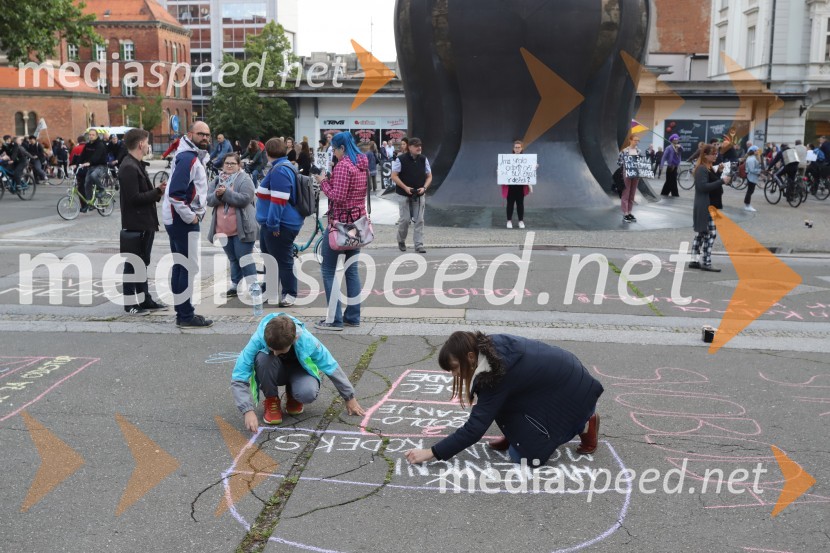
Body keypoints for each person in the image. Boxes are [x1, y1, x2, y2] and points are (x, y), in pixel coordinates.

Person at [404, 331, 604, 467]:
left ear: (471, 356)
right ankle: (517, 435)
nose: (454, 375)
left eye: (455, 368)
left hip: (573, 393)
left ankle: (585, 423)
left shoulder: (495, 374)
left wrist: (432, 452)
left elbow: (475, 429)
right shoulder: (489, 349)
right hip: (556, 382)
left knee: (527, 458)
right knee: (499, 404)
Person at [231, 313, 366, 430]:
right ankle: (272, 400)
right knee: (263, 358)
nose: (276, 353)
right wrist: (247, 410)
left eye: (280, 350)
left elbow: (330, 366)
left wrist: (349, 397)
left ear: (294, 338)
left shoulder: (307, 340)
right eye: (272, 349)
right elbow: (239, 375)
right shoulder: (258, 338)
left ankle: (293, 394)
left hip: (298, 371)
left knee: (307, 393)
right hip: (273, 371)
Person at [313, 132, 369, 331]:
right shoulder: (362, 163)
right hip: (358, 224)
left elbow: (338, 196)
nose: (334, 153)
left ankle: (334, 318)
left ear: (342, 148)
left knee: (328, 270)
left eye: (334, 149)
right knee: (351, 270)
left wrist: (323, 182)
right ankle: (353, 316)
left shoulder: (344, 165)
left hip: (340, 225)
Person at [162, 122, 213, 328]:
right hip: (181, 221)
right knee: (187, 267)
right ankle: (185, 315)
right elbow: (176, 194)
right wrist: (190, 216)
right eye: (201, 134)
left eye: (208, 134)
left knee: (181, 266)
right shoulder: (188, 158)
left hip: (176, 219)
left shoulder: (189, 155)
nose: (205, 138)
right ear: (190, 134)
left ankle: (182, 312)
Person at [118, 128, 168, 315]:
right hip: (136, 224)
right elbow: (134, 198)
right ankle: (131, 303)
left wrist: (156, 190)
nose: (148, 146)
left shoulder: (135, 164)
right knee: (133, 264)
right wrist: (157, 192)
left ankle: (144, 298)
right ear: (140, 144)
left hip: (143, 222)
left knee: (141, 263)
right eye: (146, 142)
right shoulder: (129, 167)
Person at [256, 138, 304, 308]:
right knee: (270, 258)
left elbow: (279, 200)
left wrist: (274, 224)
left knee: (283, 261)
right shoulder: (282, 167)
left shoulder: (279, 171)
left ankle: (289, 293)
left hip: (279, 224)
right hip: (274, 223)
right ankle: (269, 290)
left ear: (266, 152)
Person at [207, 152, 258, 299]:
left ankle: (253, 287)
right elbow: (209, 200)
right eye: (227, 163)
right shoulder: (217, 179)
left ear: (239, 165)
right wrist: (217, 195)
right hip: (222, 228)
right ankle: (235, 284)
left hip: (243, 227)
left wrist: (226, 193)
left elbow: (245, 199)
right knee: (233, 258)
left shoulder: (245, 179)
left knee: (245, 257)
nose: (229, 166)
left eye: (233, 163)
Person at [689, 143, 730, 273]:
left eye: (716, 153)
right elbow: (703, 187)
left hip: (709, 205)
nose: (715, 156)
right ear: (705, 155)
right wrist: (722, 181)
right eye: (713, 154)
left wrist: (718, 172)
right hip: (706, 206)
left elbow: (711, 183)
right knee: (710, 234)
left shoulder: (708, 167)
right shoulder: (702, 168)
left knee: (701, 233)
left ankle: (694, 261)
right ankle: (706, 262)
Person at [392, 137, 432, 254]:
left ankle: (419, 245)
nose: (419, 147)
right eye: (416, 146)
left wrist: (424, 188)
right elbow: (394, 176)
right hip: (403, 194)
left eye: (420, 145)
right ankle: (401, 240)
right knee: (405, 220)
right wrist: (405, 188)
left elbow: (429, 176)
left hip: (419, 194)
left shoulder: (423, 159)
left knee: (419, 220)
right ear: (409, 147)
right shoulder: (400, 159)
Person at [501, 139, 532, 228]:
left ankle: (521, 221)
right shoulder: (507, 159)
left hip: (520, 186)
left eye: (519, 147)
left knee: (520, 203)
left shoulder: (526, 159)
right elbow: (502, 169)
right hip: (510, 186)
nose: (517, 149)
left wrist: (534, 166)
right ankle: (509, 221)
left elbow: (529, 170)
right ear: (513, 148)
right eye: (516, 147)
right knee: (510, 203)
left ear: (521, 148)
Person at [78, 129, 109, 212]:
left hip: (101, 167)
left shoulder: (100, 145)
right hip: (91, 167)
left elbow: (97, 156)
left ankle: (102, 189)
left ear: (97, 136)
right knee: (86, 183)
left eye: (93, 135)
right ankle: (90, 203)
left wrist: (89, 162)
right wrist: (76, 163)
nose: (91, 136)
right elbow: (82, 156)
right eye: (90, 134)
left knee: (94, 175)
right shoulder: (88, 145)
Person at [617, 134, 642, 223]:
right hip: (627, 173)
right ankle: (625, 213)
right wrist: (626, 167)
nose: (636, 142)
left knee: (632, 193)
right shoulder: (624, 151)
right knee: (626, 193)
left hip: (636, 174)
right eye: (635, 140)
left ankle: (630, 212)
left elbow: (641, 162)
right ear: (630, 140)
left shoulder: (639, 151)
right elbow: (619, 162)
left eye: (637, 140)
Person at [743, 145, 761, 212]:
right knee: (750, 191)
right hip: (751, 177)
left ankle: (747, 205)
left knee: (750, 191)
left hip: (752, 177)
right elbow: (752, 170)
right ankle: (747, 205)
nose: (758, 151)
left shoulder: (752, 158)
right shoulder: (751, 159)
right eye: (757, 150)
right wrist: (759, 171)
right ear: (754, 151)